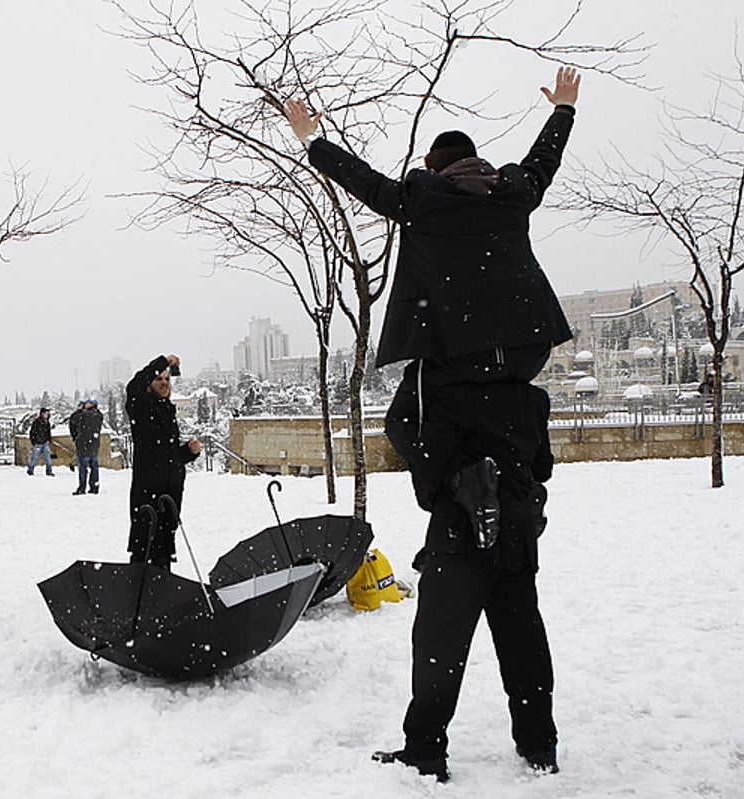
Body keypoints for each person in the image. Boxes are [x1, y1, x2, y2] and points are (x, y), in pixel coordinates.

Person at [284, 67, 580, 540]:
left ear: (434, 166)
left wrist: (311, 140)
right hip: (527, 348)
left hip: (458, 352)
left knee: (404, 423)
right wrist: (563, 109)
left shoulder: (420, 199)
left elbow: (360, 179)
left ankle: (466, 481)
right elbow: (545, 158)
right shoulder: (515, 192)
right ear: (477, 161)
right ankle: (526, 489)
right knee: (509, 412)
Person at [373, 380, 558, 782]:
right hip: (517, 536)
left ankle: (425, 750)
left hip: (460, 541)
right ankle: (539, 744)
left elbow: (427, 456)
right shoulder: (532, 397)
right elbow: (542, 466)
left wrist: (458, 475)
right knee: (522, 641)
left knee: (439, 646)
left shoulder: (449, 392)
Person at [125, 354, 201, 569]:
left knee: (164, 550)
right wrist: (162, 363)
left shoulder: (167, 409)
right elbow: (133, 387)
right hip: (148, 491)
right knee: (143, 547)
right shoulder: (140, 406)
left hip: (170, 493)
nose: (164, 383)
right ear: (150, 383)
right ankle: (138, 594)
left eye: (167, 379)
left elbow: (167, 454)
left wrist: (187, 452)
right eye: (159, 379)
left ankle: (162, 593)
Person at [71, 399, 103, 496]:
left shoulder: (83, 415)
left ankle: (82, 488)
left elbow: (73, 420)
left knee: (83, 468)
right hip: (94, 444)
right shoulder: (98, 415)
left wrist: (79, 410)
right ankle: (94, 487)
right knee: (94, 468)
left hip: (83, 445)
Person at [27, 408, 54, 476]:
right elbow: (32, 432)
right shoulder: (36, 422)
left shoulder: (47, 422)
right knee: (34, 458)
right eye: (45, 413)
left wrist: (48, 440)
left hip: (45, 443)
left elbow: (48, 432)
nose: (46, 415)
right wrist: (34, 442)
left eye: (47, 414)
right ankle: (30, 470)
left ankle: (49, 471)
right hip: (38, 443)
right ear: (42, 414)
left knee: (48, 458)